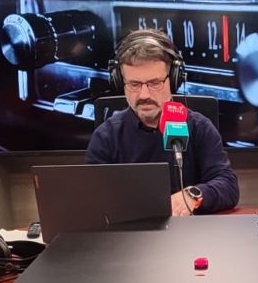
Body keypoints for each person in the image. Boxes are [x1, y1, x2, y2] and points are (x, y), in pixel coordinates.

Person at [87, 29, 239, 216]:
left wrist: (192, 195)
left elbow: (228, 186)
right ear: (120, 83)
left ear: (174, 80)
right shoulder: (106, 136)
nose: (144, 95)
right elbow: (91, 199)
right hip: (129, 232)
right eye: (134, 84)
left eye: (154, 83)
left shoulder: (199, 127)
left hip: (188, 231)